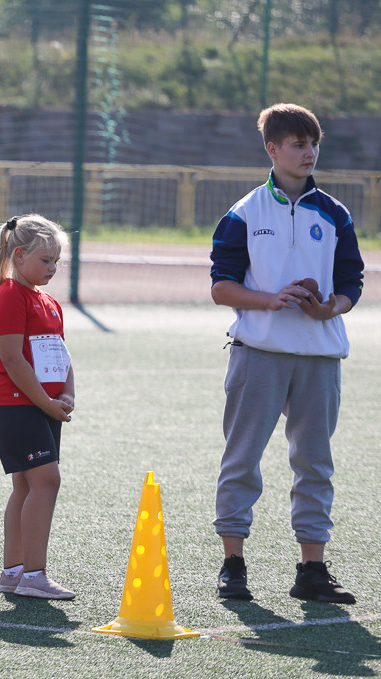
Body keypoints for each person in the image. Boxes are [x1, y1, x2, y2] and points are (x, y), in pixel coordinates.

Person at [210, 103, 364, 604]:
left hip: (320, 357)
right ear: (272, 150)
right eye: (298, 144)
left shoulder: (335, 213)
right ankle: (233, 564)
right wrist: (269, 300)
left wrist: (331, 308)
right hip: (258, 353)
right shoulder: (243, 212)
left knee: (315, 463)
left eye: (313, 143)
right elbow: (221, 287)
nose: (309, 152)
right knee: (242, 459)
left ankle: (311, 572)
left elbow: (351, 284)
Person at [0, 215, 76, 600]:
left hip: (41, 406)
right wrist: (45, 401)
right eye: (45, 260)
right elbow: (12, 359)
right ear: (19, 255)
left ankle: (13, 572)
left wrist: (67, 394)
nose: (52, 268)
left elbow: (61, 354)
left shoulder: (48, 301)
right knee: (47, 481)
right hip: (16, 405)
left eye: (56, 261)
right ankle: (33, 575)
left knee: (27, 484)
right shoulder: (10, 295)